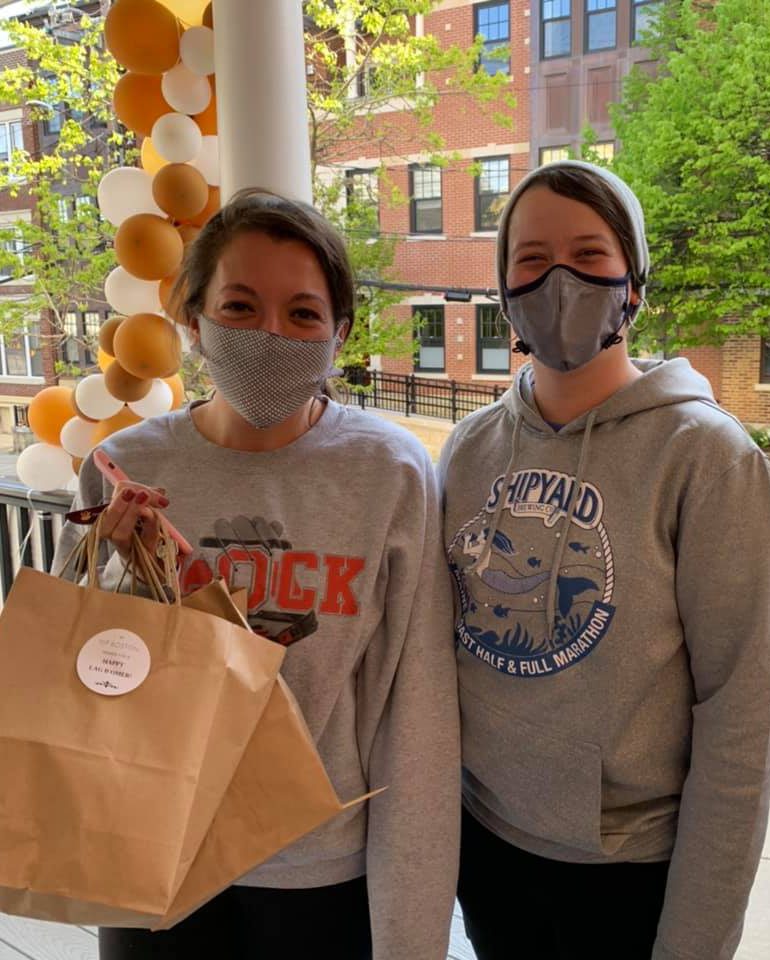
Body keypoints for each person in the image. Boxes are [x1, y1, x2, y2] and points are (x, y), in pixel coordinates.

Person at [53, 188, 460, 960]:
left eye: (303, 314)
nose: (271, 334)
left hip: (319, 872)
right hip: (153, 850)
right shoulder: (129, 464)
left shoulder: (388, 472)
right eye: (240, 306)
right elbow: (86, 676)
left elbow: (418, 708)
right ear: (191, 316)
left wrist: (413, 929)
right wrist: (124, 582)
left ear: (339, 335)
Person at [439, 159, 770, 960]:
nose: (559, 279)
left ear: (634, 282)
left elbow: (743, 718)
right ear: (504, 290)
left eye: (589, 257)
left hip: (631, 874)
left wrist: (696, 940)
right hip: (484, 850)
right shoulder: (470, 450)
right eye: (530, 259)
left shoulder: (706, 458)